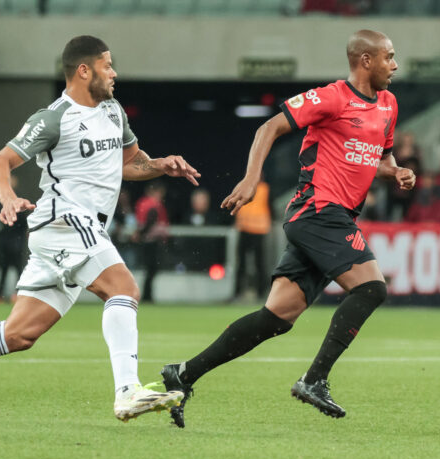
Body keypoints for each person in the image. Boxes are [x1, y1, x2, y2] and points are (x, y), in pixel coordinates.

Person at [0, 36, 201, 422]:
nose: (114, 73)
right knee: (124, 288)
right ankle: (127, 391)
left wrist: (161, 164)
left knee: (18, 334)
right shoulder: (53, 117)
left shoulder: (114, 111)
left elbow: (128, 164)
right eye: (107, 65)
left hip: (80, 231)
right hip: (65, 220)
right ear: (84, 70)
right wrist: (7, 198)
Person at [159, 30, 415, 427]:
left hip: (336, 218)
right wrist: (249, 179)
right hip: (316, 211)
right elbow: (268, 129)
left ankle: (184, 374)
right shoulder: (331, 97)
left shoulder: (388, 105)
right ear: (366, 60)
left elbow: (376, 158)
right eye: (389, 57)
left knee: (276, 316)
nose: (395, 65)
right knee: (371, 287)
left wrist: (395, 171)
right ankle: (315, 379)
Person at [233, 178, 271, 300]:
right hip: (246, 228)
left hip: (258, 230)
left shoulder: (264, 189)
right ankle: (239, 292)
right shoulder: (261, 188)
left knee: (258, 263)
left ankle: (259, 293)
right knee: (244, 264)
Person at [134, 182, 169, 303]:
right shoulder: (153, 205)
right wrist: (141, 234)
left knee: (149, 269)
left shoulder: (142, 203)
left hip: (146, 241)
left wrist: (139, 234)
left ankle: (147, 295)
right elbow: (150, 221)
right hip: (151, 241)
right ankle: (147, 296)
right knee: (151, 269)